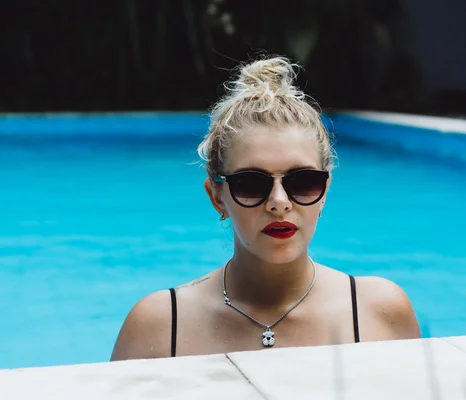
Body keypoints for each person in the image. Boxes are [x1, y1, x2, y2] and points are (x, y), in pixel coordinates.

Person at [110, 56, 421, 361]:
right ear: (217, 196)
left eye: (302, 182)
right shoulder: (158, 327)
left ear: (325, 190)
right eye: (250, 184)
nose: (279, 202)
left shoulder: (379, 313)